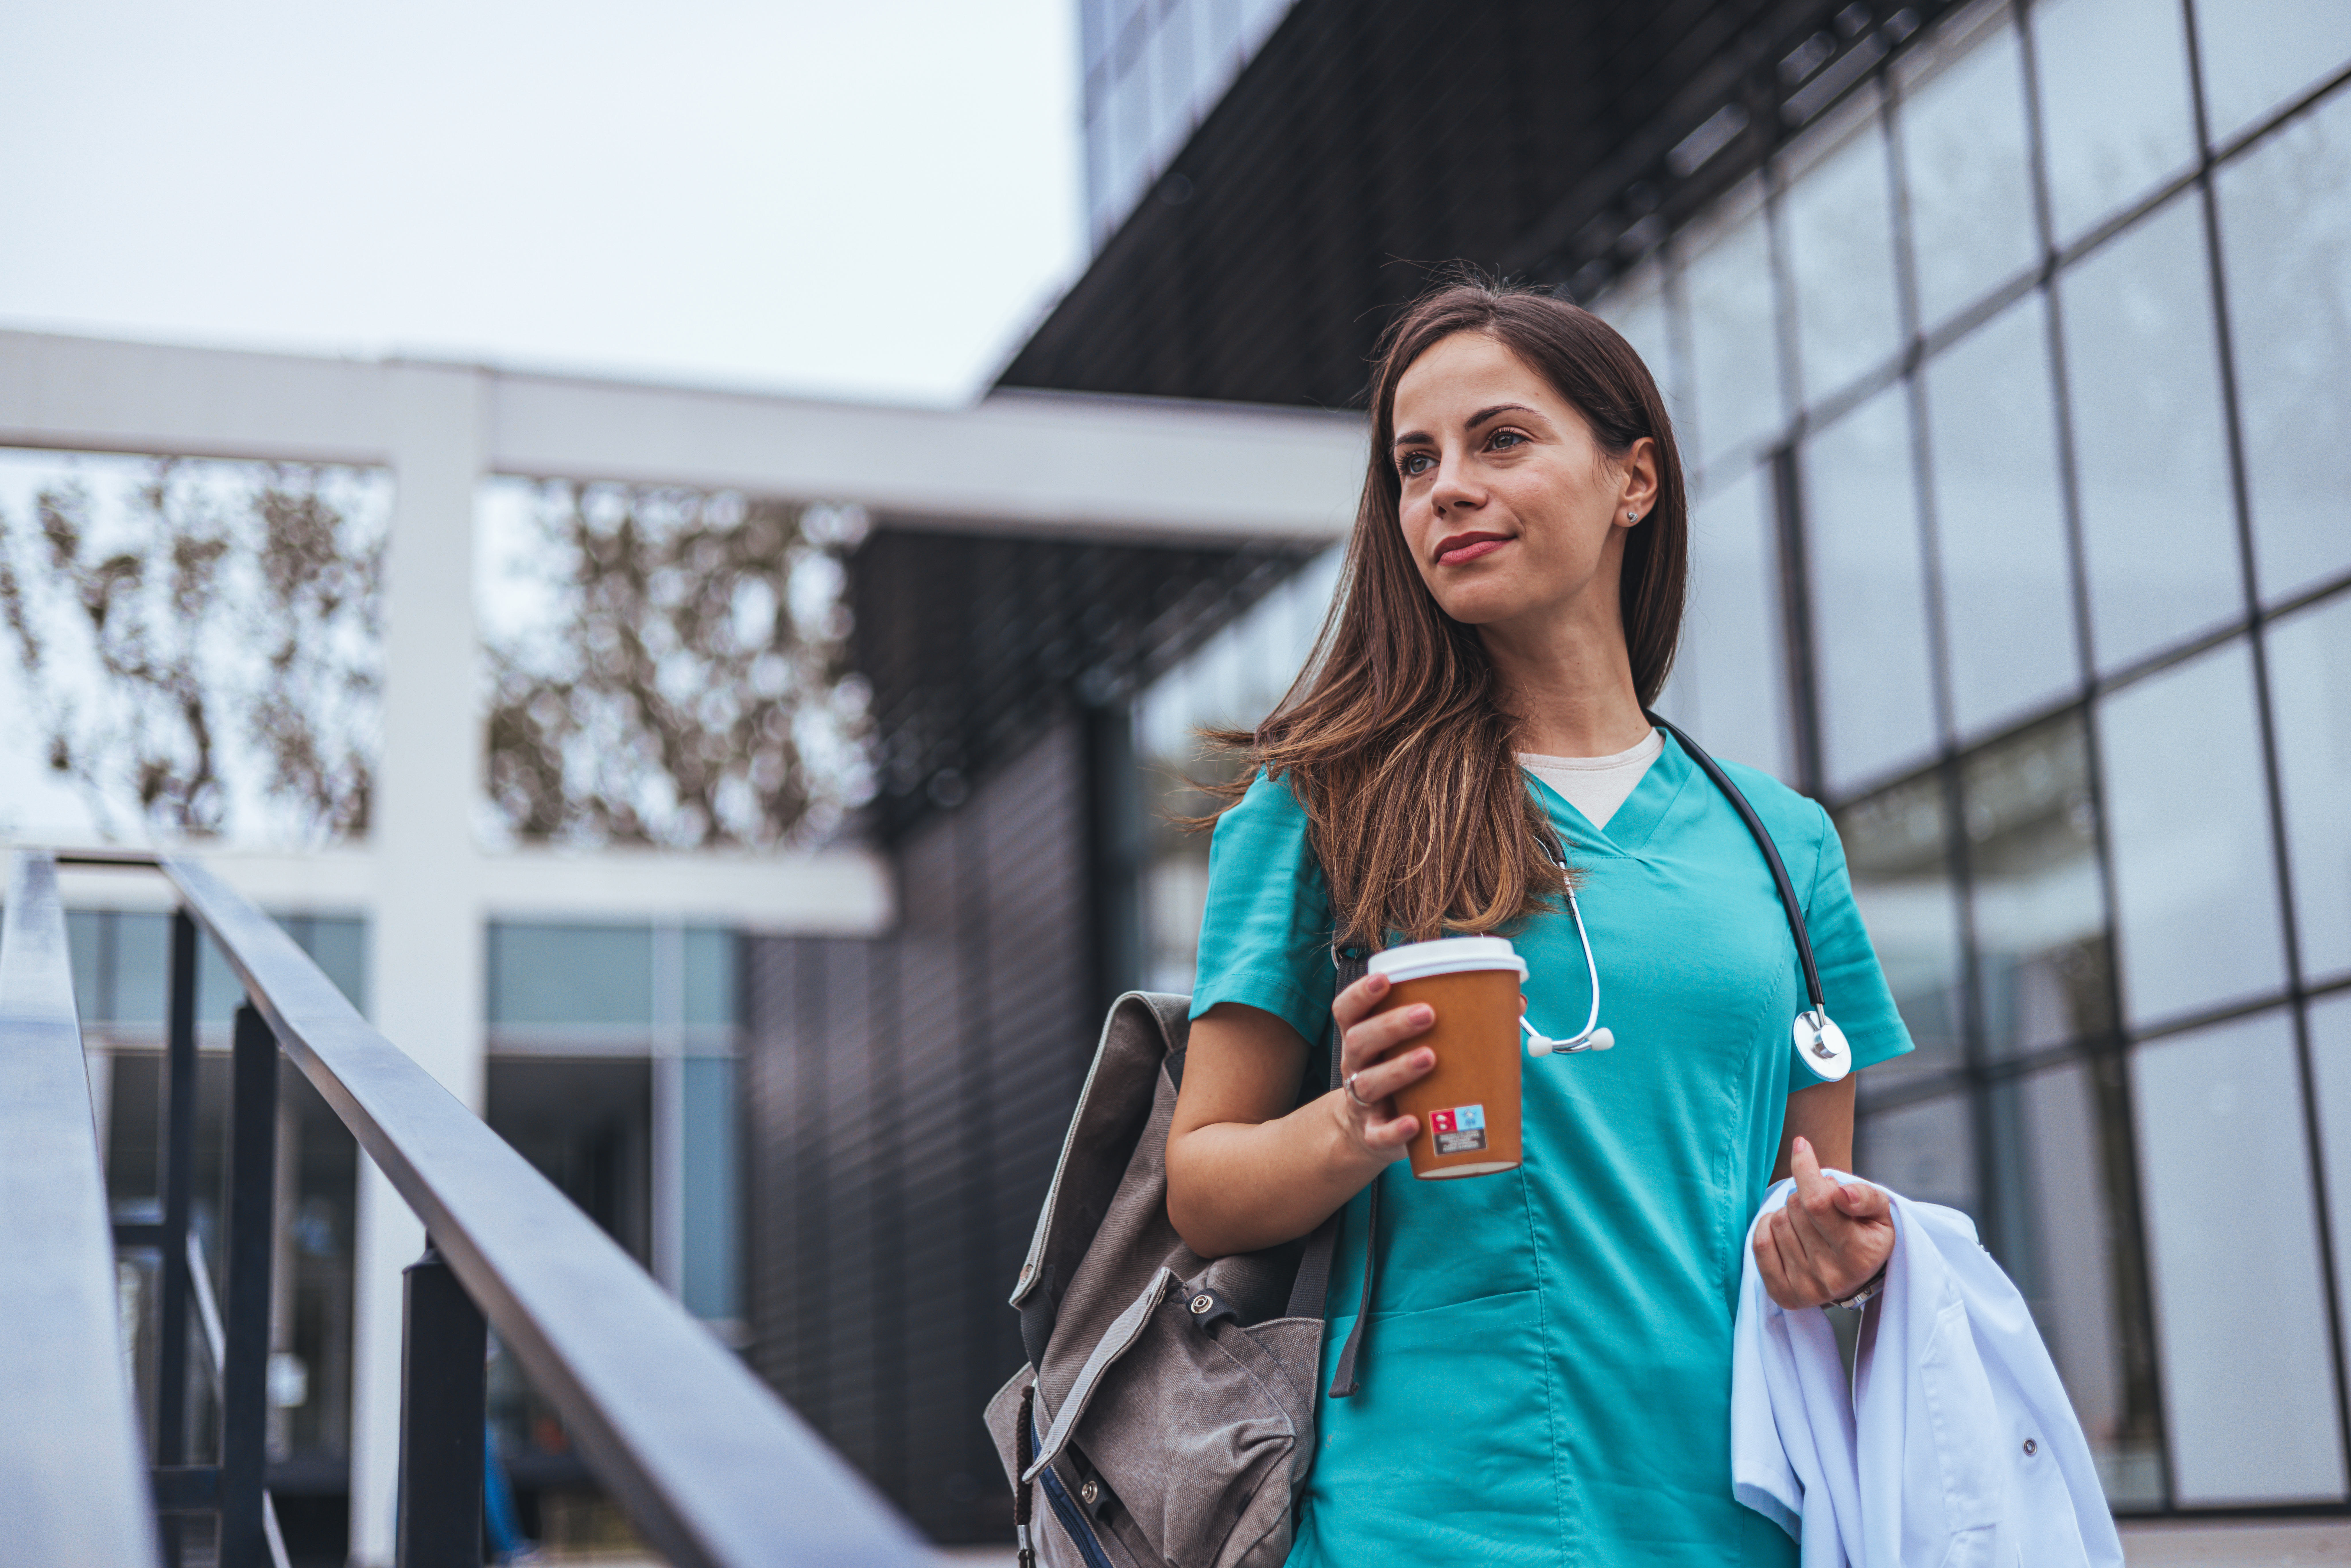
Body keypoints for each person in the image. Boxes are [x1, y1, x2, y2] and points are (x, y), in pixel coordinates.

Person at [1163, 280, 1911, 1565]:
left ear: (1634, 480)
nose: (1444, 487)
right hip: (1426, 1523)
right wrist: (1352, 1121)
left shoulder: (1782, 846)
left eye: (1498, 440)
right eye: (1413, 462)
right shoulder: (1318, 809)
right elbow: (1205, 1187)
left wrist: (1831, 1255)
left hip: (1733, 1522)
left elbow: (1805, 1211)